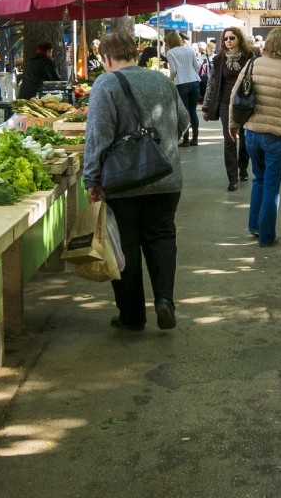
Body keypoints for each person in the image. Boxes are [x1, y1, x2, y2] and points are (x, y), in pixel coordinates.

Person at [83, 32, 190, 332]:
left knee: (124, 247)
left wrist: (91, 178)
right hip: (166, 177)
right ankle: (165, 301)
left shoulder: (106, 84)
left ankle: (132, 315)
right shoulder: (162, 81)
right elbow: (183, 122)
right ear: (135, 52)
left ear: (106, 58)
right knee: (162, 238)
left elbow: (98, 136)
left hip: (122, 182)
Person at [227, 28, 281, 247]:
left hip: (251, 133)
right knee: (271, 185)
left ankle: (254, 225)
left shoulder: (253, 64)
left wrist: (234, 123)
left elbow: (235, 94)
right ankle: (267, 236)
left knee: (259, 179)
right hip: (276, 136)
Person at [202, 27, 255, 191]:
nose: (228, 41)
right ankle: (232, 179)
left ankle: (243, 167)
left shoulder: (250, 57)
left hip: (245, 103)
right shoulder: (219, 60)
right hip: (226, 104)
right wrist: (206, 106)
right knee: (229, 140)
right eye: (225, 39)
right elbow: (211, 83)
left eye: (232, 38)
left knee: (245, 139)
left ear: (239, 38)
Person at [164, 31, 203, 147]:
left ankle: (186, 139)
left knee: (184, 112)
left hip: (181, 83)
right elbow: (196, 66)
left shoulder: (170, 53)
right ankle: (195, 138)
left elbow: (174, 71)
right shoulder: (190, 49)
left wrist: (170, 80)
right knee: (193, 111)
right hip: (195, 81)